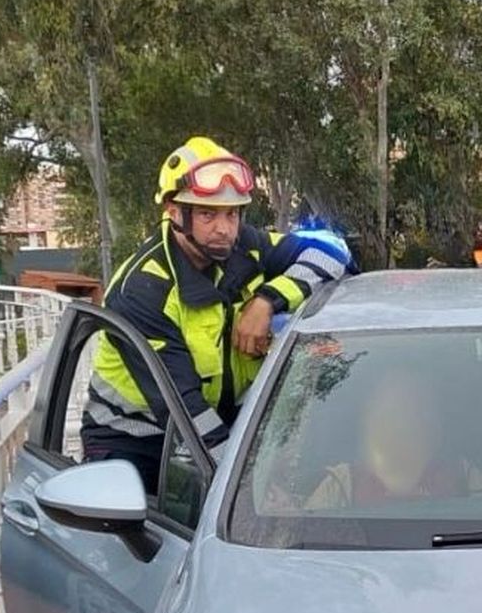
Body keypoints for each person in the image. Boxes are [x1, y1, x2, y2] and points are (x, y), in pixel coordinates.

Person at [83, 137, 354, 488]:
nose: (224, 228)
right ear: (175, 212)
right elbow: (186, 414)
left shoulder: (244, 245)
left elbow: (331, 252)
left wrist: (267, 300)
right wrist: (246, 489)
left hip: (221, 427)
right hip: (132, 442)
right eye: (208, 214)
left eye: (232, 213)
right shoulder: (143, 292)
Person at [306, 367, 482, 508]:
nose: (405, 423)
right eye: (394, 413)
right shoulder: (343, 482)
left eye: (418, 411)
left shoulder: (461, 474)